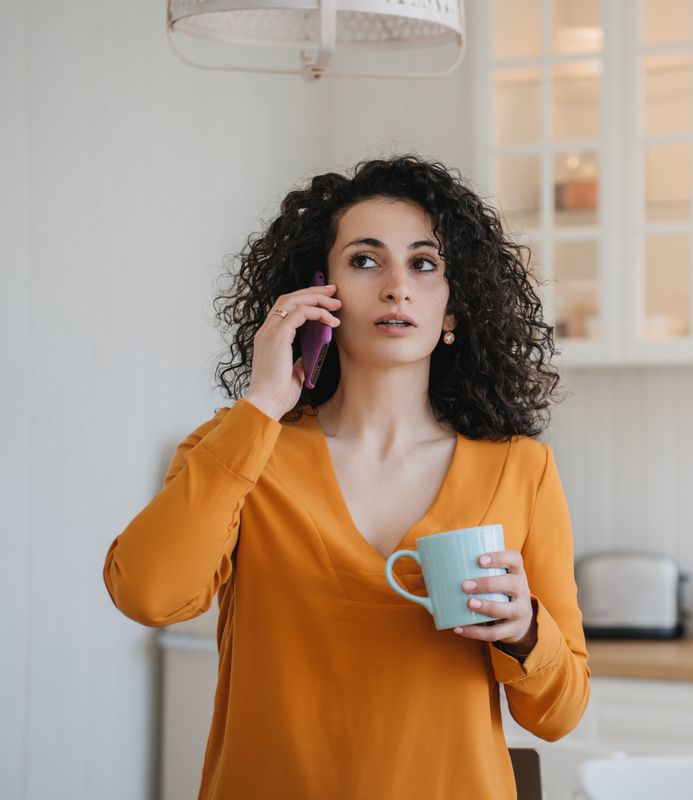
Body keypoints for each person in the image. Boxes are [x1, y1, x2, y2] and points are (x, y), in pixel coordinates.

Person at [102, 154, 589, 799]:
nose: (396, 286)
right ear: (315, 294)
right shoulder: (244, 446)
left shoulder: (520, 467)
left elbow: (558, 715)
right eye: (364, 260)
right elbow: (148, 595)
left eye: (424, 263)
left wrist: (525, 629)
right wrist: (262, 406)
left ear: (452, 309)